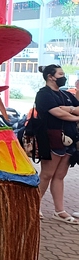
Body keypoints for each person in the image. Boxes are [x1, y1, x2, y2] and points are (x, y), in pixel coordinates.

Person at [35, 65, 79, 223]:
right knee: (47, 174)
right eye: (60, 74)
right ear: (50, 76)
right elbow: (57, 113)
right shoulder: (43, 94)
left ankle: (59, 210)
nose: (63, 76)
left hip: (69, 139)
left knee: (60, 176)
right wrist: (75, 115)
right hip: (51, 139)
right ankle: (34, 206)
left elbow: (73, 109)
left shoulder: (66, 94)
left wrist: (69, 108)